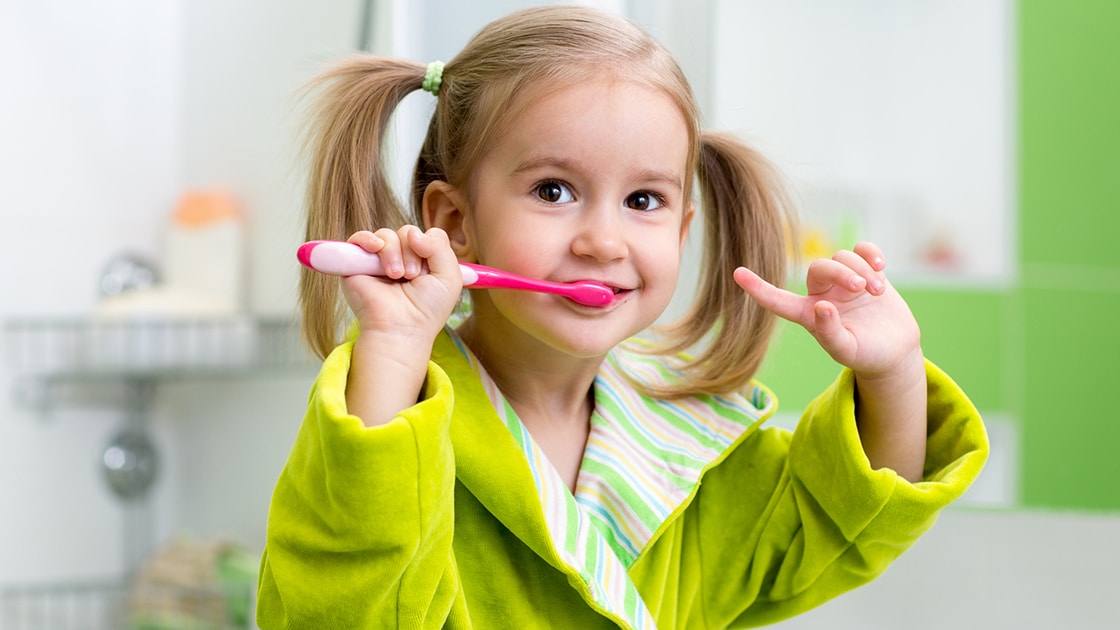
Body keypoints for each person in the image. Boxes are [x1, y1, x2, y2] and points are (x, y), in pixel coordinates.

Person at [257, 6, 987, 629]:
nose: (603, 242)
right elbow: (336, 608)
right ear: (455, 222)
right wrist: (391, 347)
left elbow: (833, 525)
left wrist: (892, 371)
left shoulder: (689, 440)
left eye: (643, 201)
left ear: (682, 229)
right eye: (553, 190)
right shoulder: (394, 413)